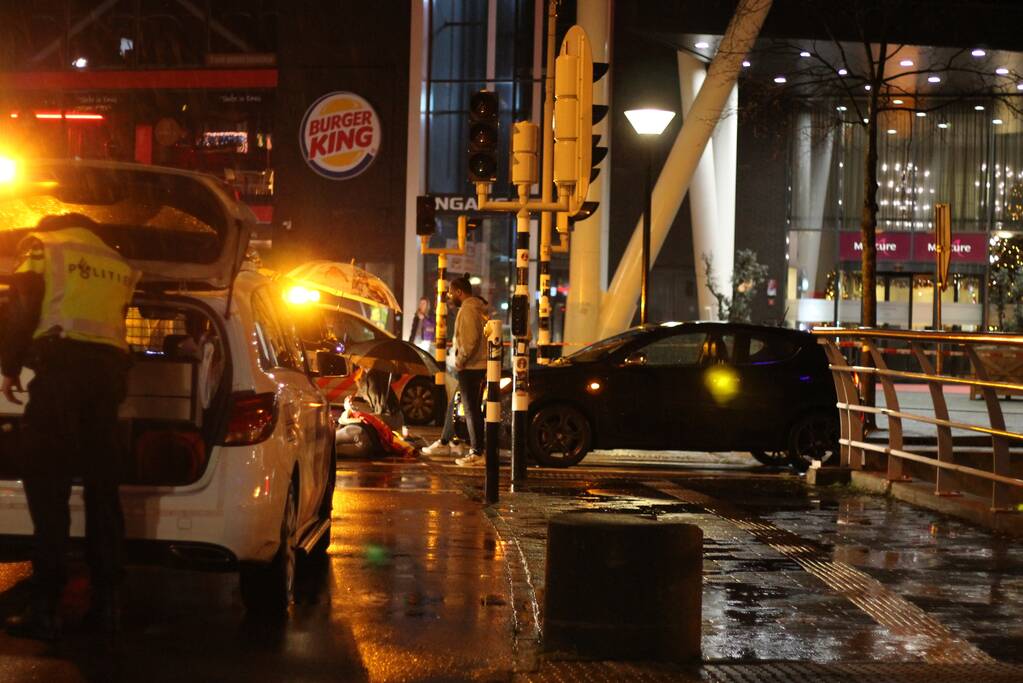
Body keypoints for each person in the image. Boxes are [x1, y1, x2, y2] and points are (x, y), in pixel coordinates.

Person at [1, 213, 139, 640]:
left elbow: (21, 307)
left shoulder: (43, 246)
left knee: (48, 490)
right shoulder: (116, 261)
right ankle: (109, 607)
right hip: (108, 380)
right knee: (103, 493)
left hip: (60, 375)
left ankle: (45, 608)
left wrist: (9, 366)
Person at [447, 274, 488, 467]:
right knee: (472, 409)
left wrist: (461, 360)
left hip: (471, 367)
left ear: (459, 292)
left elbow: (470, 340)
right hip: (477, 366)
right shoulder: (476, 308)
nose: (449, 296)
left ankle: (477, 451)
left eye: (450, 292)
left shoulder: (468, 310)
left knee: (472, 410)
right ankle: (475, 447)